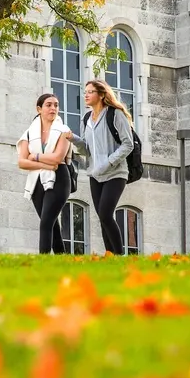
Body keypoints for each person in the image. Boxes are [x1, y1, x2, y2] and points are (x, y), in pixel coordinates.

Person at [77, 79, 135, 255]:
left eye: (90, 91)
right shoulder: (86, 118)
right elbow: (87, 150)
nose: (86, 95)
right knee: (103, 218)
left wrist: (109, 162)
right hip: (95, 174)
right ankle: (110, 256)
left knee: (105, 213)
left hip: (116, 172)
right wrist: (73, 139)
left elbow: (128, 144)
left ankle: (119, 255)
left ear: (101, 95)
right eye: (85, 91)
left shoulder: (115, 114)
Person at [17, 93, 73, 254]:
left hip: (59, 179)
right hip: (36, 181)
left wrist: (34, 157)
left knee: (46, 222)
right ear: (39, 109)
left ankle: (43, 260)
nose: (53, 108)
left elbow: (57, 158)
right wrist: (44, 164)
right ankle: (62, 258)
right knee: (51, 223)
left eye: (56, 105)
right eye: (49, 105)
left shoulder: (64, 130)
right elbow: (21, 162)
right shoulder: (29, 133)